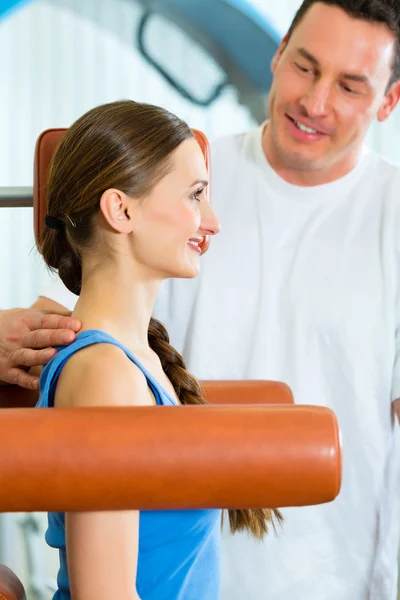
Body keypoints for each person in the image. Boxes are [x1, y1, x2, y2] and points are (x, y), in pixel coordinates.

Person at [1, 0, 400, 598]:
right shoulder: (108, 368)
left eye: (349, 85)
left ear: (388, 101)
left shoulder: (385, 210)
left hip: (335, 568)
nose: (316, 102)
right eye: (305, 67)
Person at [29, 100, 281, 600]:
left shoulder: (137, 362)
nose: (211, 222)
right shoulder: (105, 373)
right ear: (121, 209)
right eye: (195, 195)